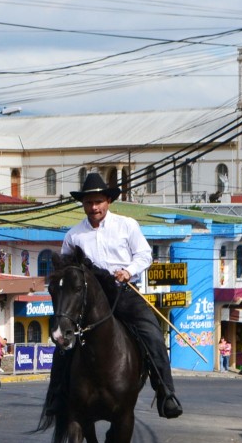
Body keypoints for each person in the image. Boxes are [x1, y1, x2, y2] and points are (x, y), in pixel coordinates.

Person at [60, 172, 182, 419]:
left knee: (153, 335)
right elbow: (66, 268)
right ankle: (57, 396)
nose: (94, 207)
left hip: (124, 293)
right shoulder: (73, 235)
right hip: (89, 299)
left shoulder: (127, 225)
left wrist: (128, 271)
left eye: (98, 202)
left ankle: (166, 394)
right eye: (88, 203)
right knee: (62, 339)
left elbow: (144, 255)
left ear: (108, 201)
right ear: (83, 204)